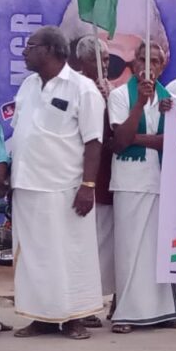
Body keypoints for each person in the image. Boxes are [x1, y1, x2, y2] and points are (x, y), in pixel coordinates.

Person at [9, 26, 104, 340]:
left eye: (31, 46)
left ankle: (74, 317)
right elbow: (22, 132)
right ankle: (43, 317)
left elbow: (93, 141)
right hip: (27, 185)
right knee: (35, 257)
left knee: (71, 254)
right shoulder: (28, 85)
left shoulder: (82, 88)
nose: (25, 52)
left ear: (49, 50)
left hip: (66, 187)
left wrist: (88, 185)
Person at [107, 42, 176, 333]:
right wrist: (139, 105)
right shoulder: (120, 95)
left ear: (162, 66)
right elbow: (119, 142)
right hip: (130, 181)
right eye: (143, 59)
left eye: (156, 61)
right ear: (134, 63)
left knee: (159, 251)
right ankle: (127, 313)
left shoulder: (170, 100)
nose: (149, 65)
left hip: (162, 180)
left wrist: (139, 138)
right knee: (130, 249)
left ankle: (163, 312)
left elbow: (173, 142)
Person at [75, 36, 115, 326]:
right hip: (82, 177)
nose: (105, 65)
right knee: (85, 245)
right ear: (82, 62)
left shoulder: (112, 89)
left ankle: (113, 299)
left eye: (108, 59)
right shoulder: (76, 87)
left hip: (108, 176)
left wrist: (109, 99)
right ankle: (85, 304)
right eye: (99, 60)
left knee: (107, 243)